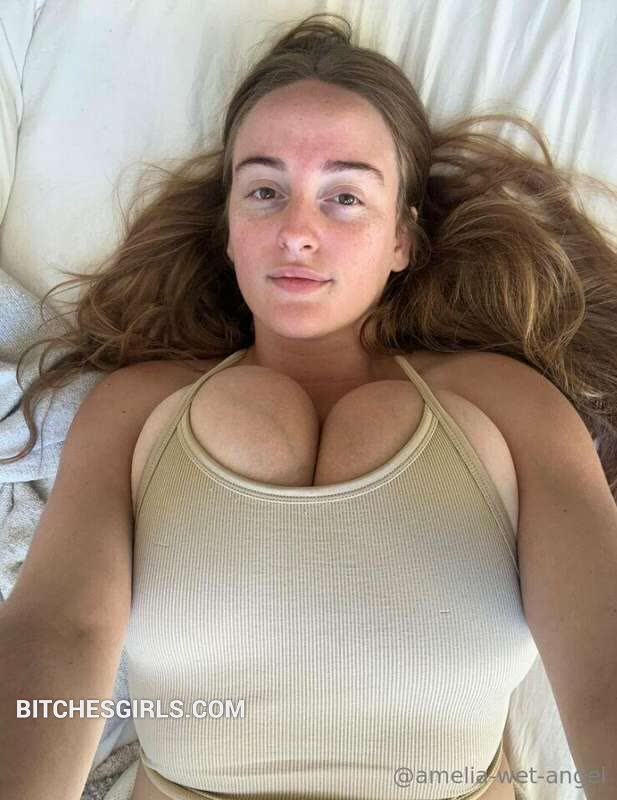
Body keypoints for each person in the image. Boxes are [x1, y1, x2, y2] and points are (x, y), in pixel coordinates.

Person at [1, 12, 617, 800]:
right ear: (228, 229)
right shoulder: (135, 408)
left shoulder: (505, 402)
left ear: (402, 239)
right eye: (264, 191)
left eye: (344, 197)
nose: (296, 231)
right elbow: (58, 631)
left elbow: (602, 652)